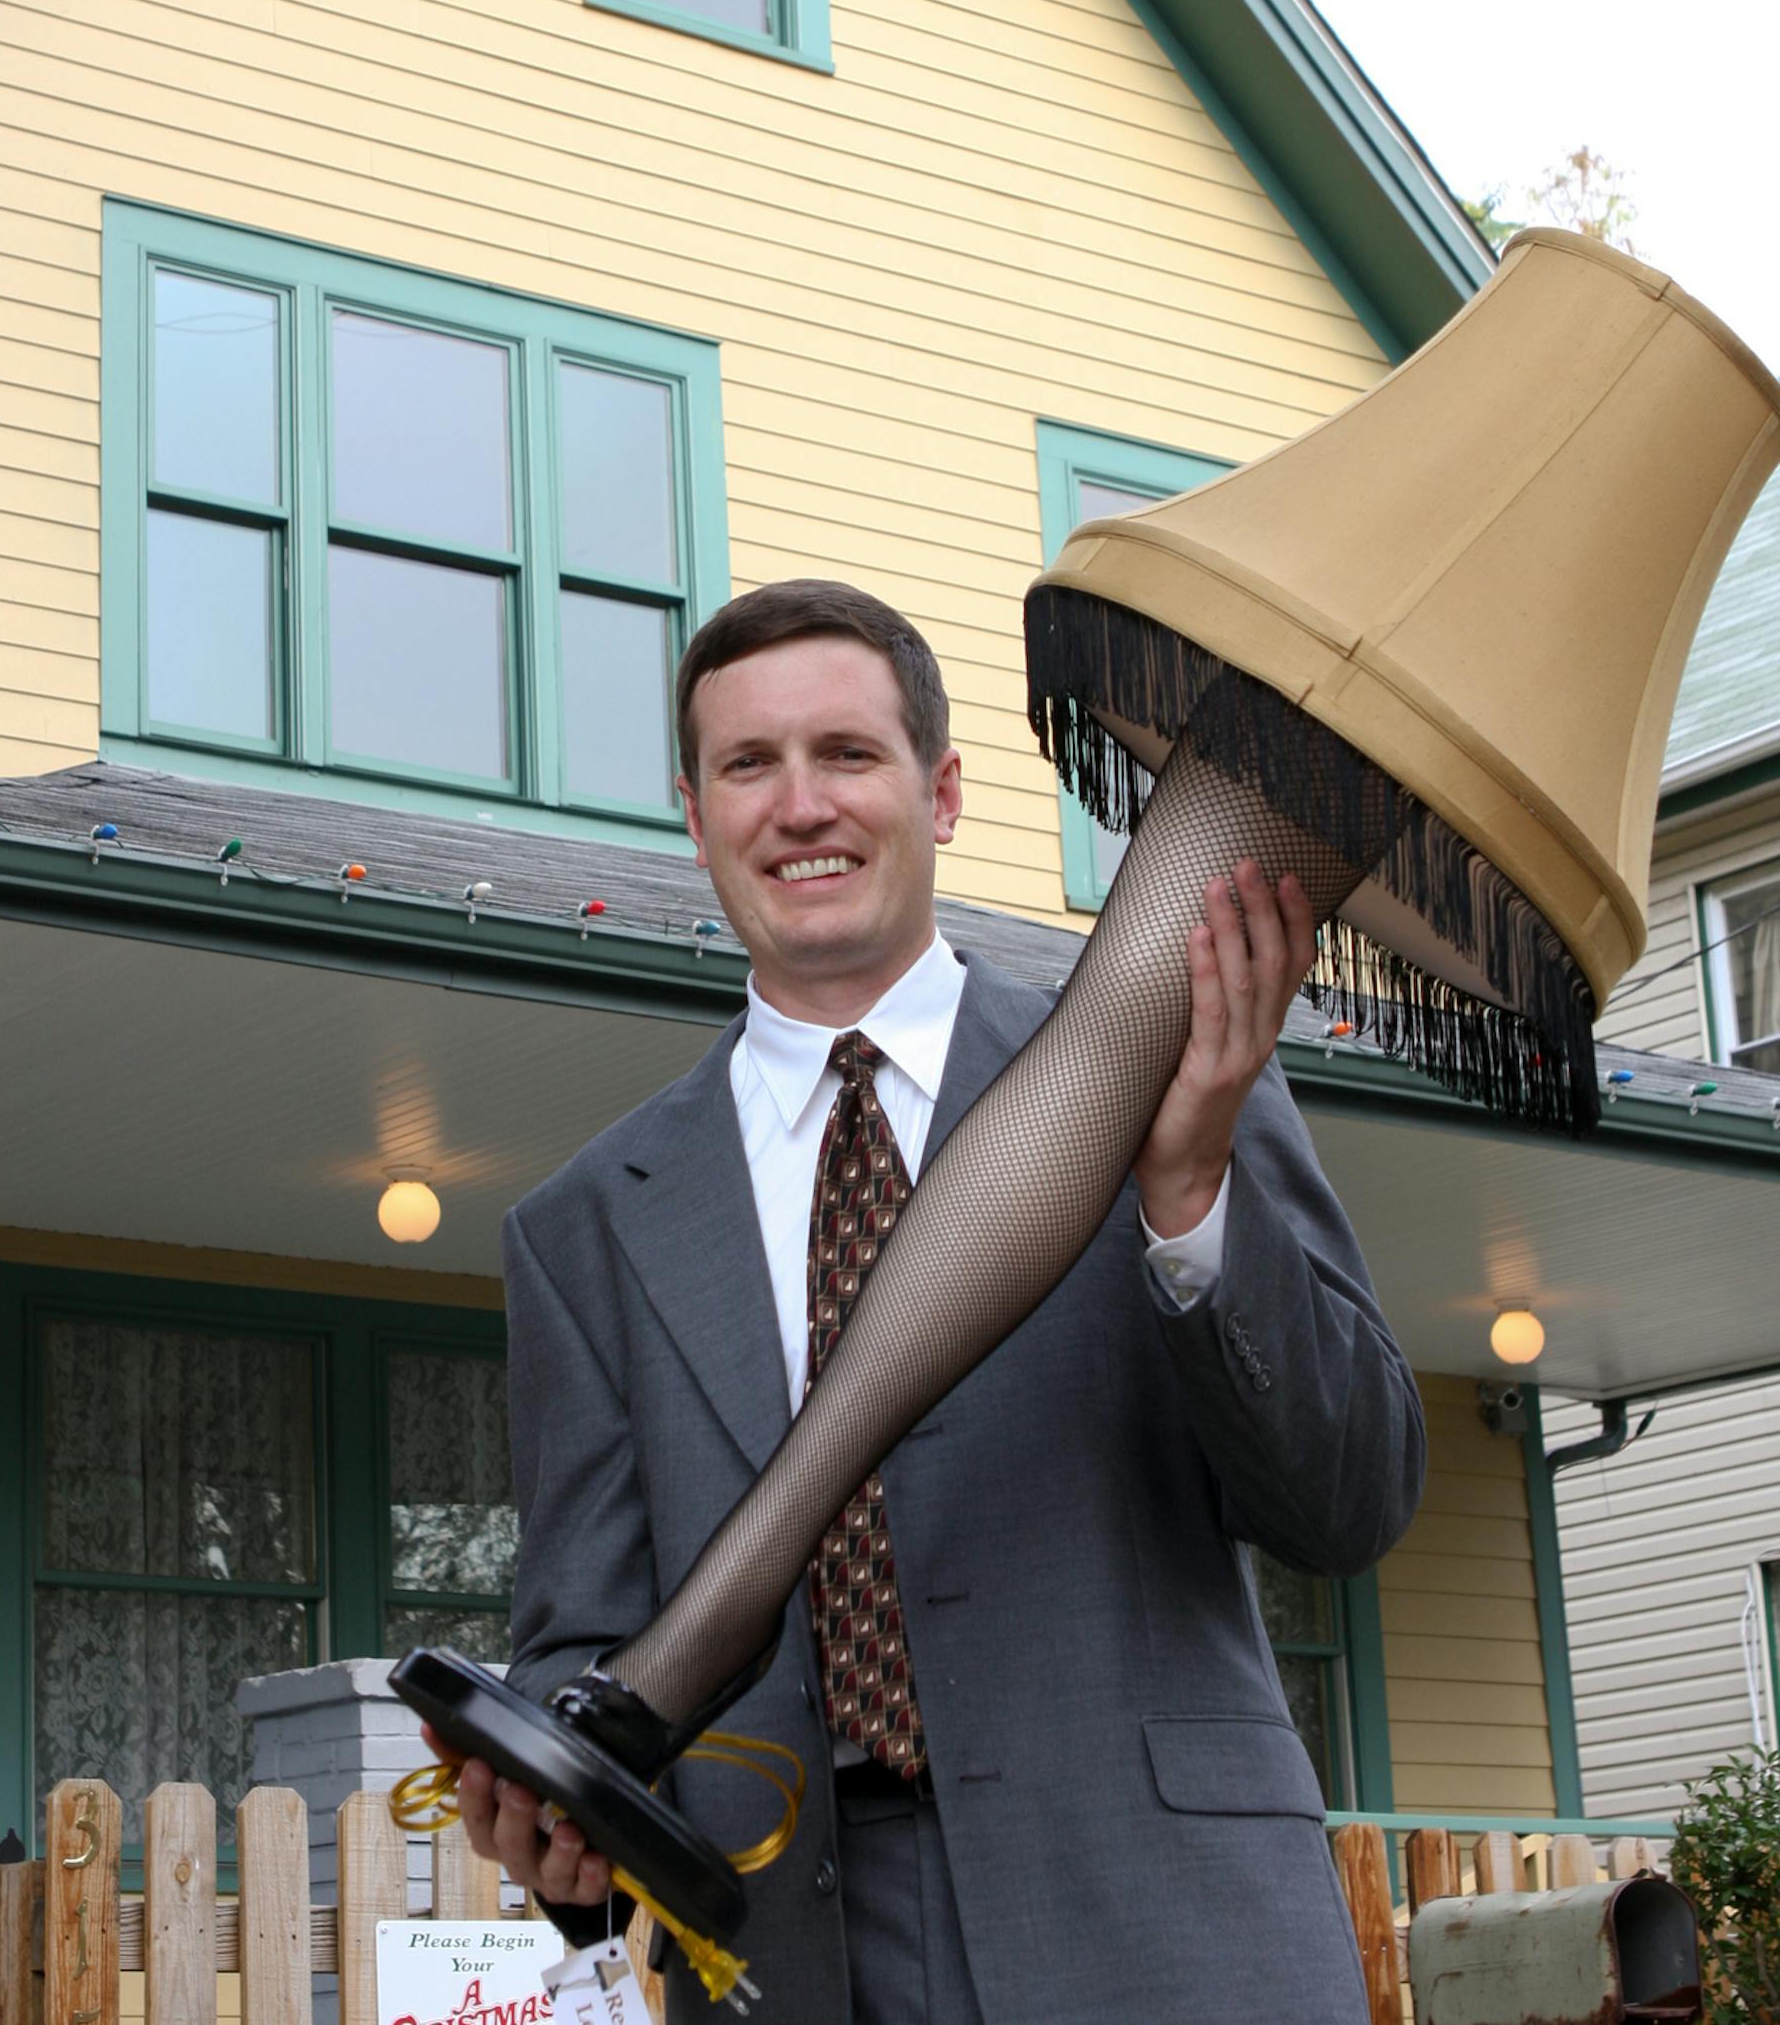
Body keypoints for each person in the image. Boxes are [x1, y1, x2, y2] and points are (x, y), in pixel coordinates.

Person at [430, 579, 1424, 2024]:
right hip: (794, 1955)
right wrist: (555, 1819)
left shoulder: (1177, 1058)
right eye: (748, 767)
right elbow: (583, 1640)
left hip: (1167, 1924)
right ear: (693, 814)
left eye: (847, 755)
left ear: (943, 791)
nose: (800, 806)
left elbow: (1352, 1506)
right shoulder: (583, 1227)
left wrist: (1193, 1192)